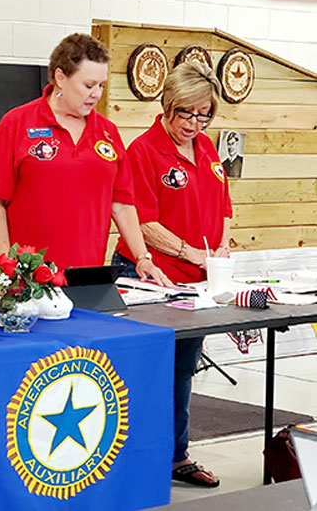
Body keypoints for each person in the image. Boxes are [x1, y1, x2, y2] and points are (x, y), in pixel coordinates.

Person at [113, 60, 232, 489]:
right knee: (147, 369)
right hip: (149, 274)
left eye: (204, 115)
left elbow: (223, 207)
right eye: (186, 113)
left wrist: (219, 249)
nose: (195, 123)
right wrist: (190, 253)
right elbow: (141, 221)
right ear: (168, 105)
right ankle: (132, 456)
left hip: (195, 280)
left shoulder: (208, 150)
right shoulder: (144, 151)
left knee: (183, 368)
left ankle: (175, 456)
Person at [0, 32, 170, 284]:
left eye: (101, 86)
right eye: (88, 85)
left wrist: (142, 257)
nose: (96, 94)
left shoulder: (107, 132)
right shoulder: (16, 123)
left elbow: (122, 204)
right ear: (60, 77)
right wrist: (6, 263)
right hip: (29, 278)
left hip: (86, 276)